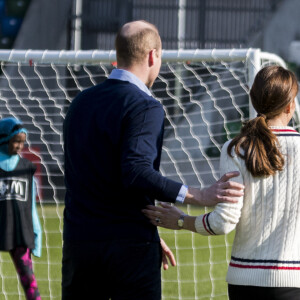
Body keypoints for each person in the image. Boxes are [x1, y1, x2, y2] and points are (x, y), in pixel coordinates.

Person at [62, 20, 244, 300]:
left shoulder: (80, 102)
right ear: (152, 55)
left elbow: (98, 176)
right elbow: (135, 172)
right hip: (127, 249)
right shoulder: (145, 106)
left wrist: (151, 232)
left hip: (79, 246)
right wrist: (198, 195)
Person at [143, 65, 300, 300]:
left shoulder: (235, 148)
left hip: (243, 282)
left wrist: (181, 220)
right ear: (291, 105)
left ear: (254, 100)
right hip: (293, 281)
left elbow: (223, 223)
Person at [0, 117, 42, 300]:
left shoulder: (26, 168)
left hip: (20, 233)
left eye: (22, 142)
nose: (19, 146)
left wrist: (36, 233)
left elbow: (31, 206)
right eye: (15, 141)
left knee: (29, 281)